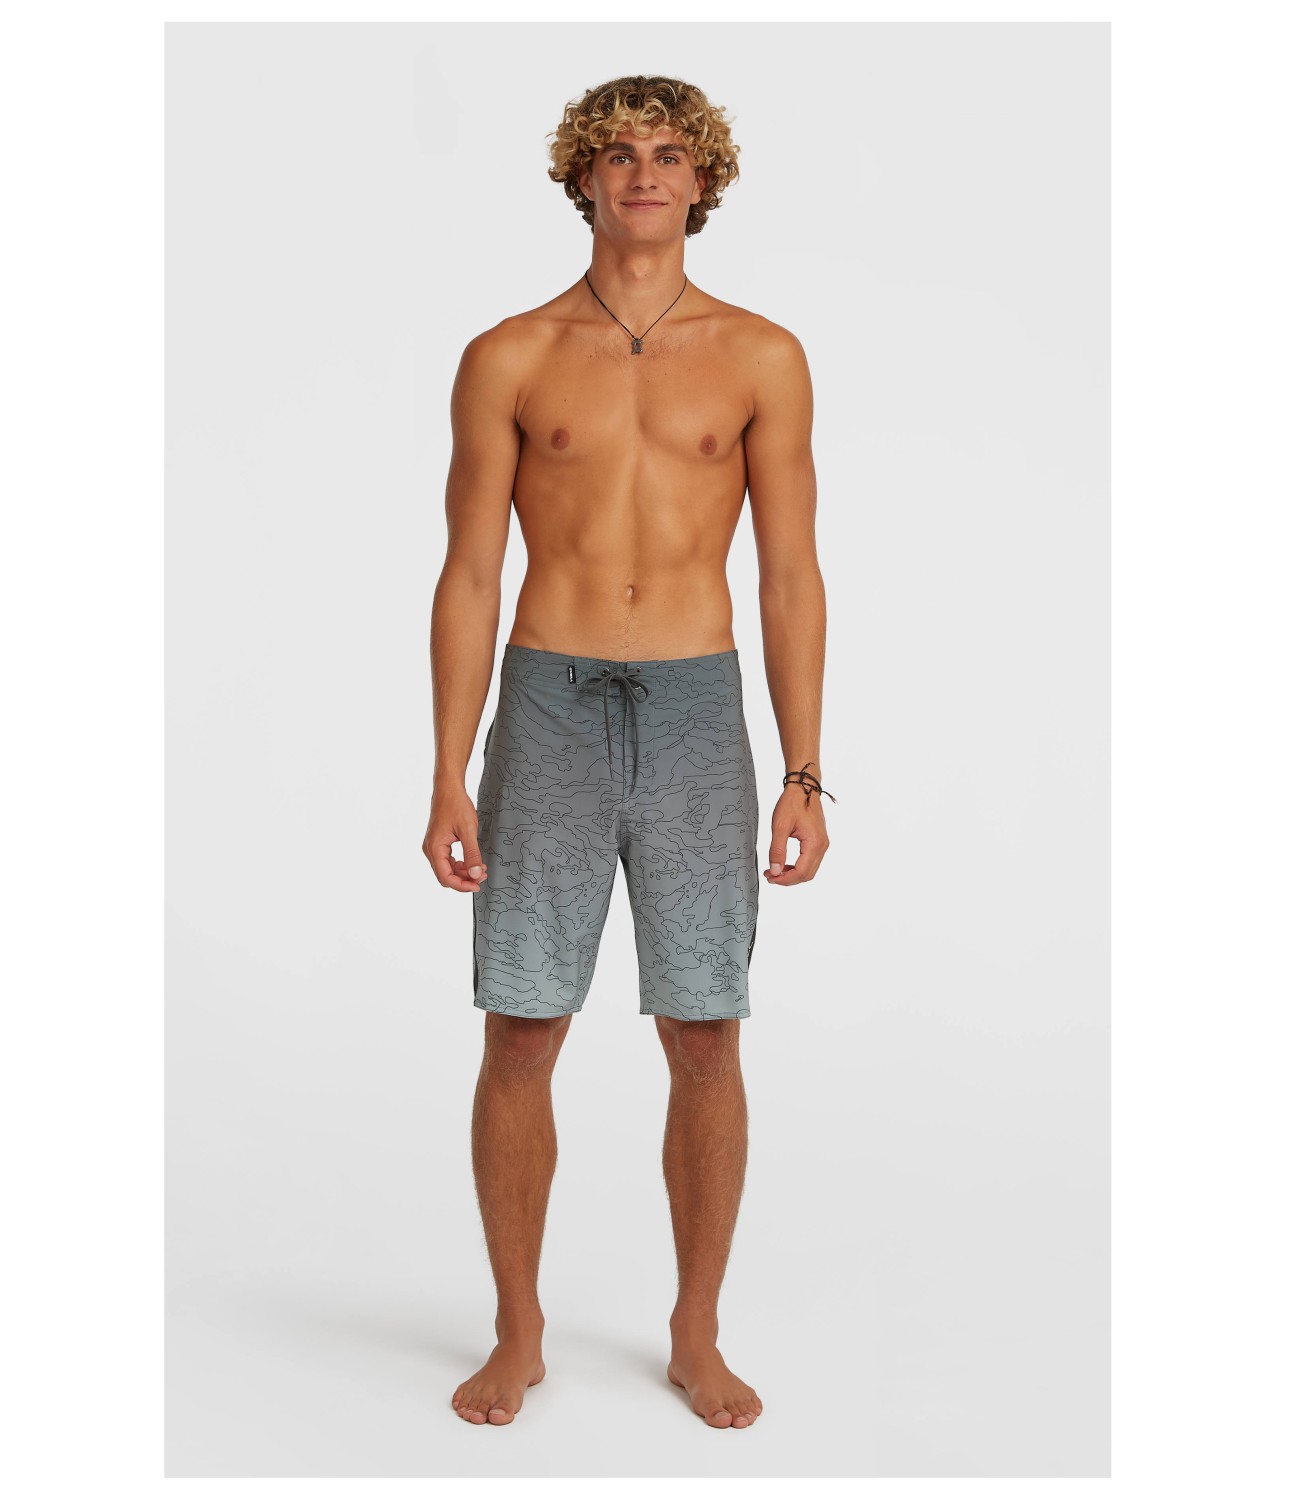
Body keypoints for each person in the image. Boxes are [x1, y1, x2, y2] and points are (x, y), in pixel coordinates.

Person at [423, 74, 831, 1430]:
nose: (643, 172)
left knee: (706, 1029)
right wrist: (448, 768)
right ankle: (519, 1328)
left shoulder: (762, 355)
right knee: (521, 1025)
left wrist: (804, 770)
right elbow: (469, 574)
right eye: (616, 153)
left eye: (667, 153)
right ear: (582, 179)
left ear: (702, 181)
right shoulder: (510, 355)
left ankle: (695, 1330)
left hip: (699, 709)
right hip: (547, 700)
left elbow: (789, 576)